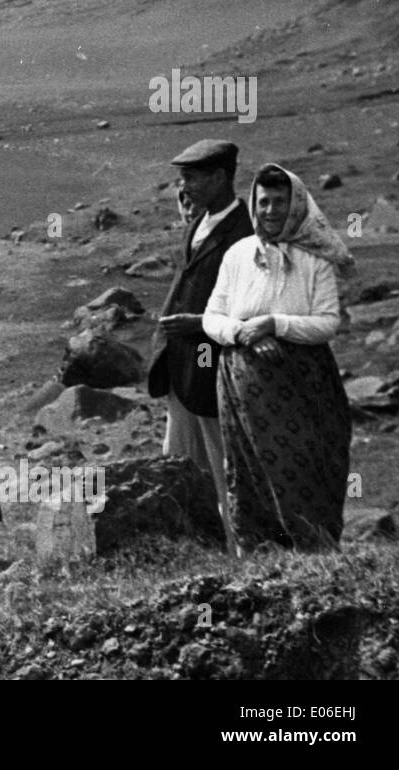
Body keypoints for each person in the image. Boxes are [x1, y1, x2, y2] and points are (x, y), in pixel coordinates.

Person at [202, 163, 354, 553]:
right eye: (263, 202)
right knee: (249, 472)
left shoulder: (314, 258)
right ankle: (261, 555)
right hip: (243, 384)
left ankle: (315, 551)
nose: (270, 211)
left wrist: (275, 324)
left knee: (309, 468)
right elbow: (212, 317)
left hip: (303, 383)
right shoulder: (238, 255)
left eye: (280, 203)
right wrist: (242, 334)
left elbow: (327, 323)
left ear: (297, 206)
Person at [147, 140, 253, 554]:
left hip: (216, 366)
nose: (183, 187)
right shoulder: (201, 223)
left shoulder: (244, 233)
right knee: (180, 459)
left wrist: (197, 324)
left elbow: (246, 307)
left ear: (220, 177)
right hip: (182, 364)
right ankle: (187, 545)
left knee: (224, 461)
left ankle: (238, 546)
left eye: (191, 178)